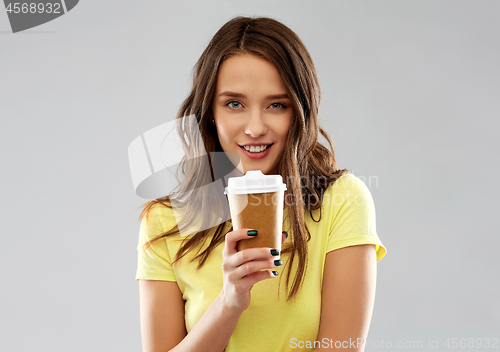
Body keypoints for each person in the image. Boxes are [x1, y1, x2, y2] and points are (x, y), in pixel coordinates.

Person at [135, 16, 386, 352]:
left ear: (299, 111)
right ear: (210, 111)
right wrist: (229, 302)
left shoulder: (342, 200)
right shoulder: (165, 220)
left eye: (276, 105)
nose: (255, 127)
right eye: (234, 104)